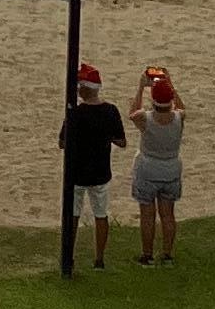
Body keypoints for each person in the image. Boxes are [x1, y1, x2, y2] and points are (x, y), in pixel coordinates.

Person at [59, 62, 130, 269]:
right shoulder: (110, 111)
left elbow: (62, 142)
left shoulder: (76, 113)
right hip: (100, 171)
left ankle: (68, 256)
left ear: (82, 89)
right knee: (101, 214)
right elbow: (121, 142)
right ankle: (99, 259)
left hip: (77, 172)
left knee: (73, 214)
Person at [130, 67, 188, 263]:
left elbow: (132, 113)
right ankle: (168, 255)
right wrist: (169, 84)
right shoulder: (179, 118)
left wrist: (140, 87)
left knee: (147, 215)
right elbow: (182, 107)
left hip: (148, 169)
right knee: (168, 215)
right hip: (171, 169)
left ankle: (147, 255)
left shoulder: (145, 119)